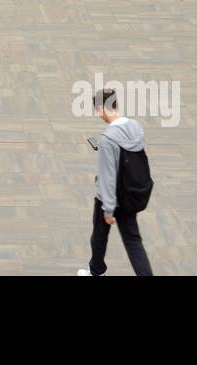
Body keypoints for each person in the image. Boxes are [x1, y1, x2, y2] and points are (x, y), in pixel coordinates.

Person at [78, 89, 154, 277]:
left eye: (97, 110)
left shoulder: (108, 139)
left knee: (99, 236)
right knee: (133, 241)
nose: (98, 114)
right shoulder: (136, 127)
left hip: (110, 198)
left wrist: (109, 209)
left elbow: (108, 176)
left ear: (103, 108)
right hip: (132, 192)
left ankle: (96, 271)